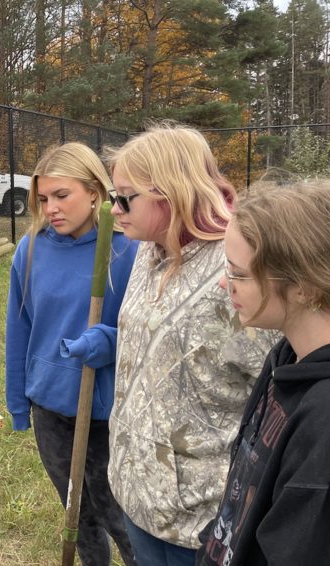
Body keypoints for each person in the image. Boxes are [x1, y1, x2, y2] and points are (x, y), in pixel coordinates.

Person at [105, 123, 280, 566]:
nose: (113, 210)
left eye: (125, 197)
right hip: (139, 491)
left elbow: (276, 383)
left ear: (172, 193)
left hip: (202, 515)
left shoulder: (235, 268)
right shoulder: (148, 251)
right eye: (112, 196)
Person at [4, 143, 138, 566]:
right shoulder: (30, 250)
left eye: (62, 195)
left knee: (119, 516)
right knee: (76, 514)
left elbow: (145, 333)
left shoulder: (127, 251)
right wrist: (18, 402)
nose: (52, 208)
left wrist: (110, 341)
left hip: (105, 413)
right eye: (43, 199)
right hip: (50, 407)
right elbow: (19, 329)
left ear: (96, 191)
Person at [195, 182, 330, 565]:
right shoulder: (286, 357)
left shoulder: (322, 417)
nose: (225, 283)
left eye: (238, 274)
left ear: (303, 287)